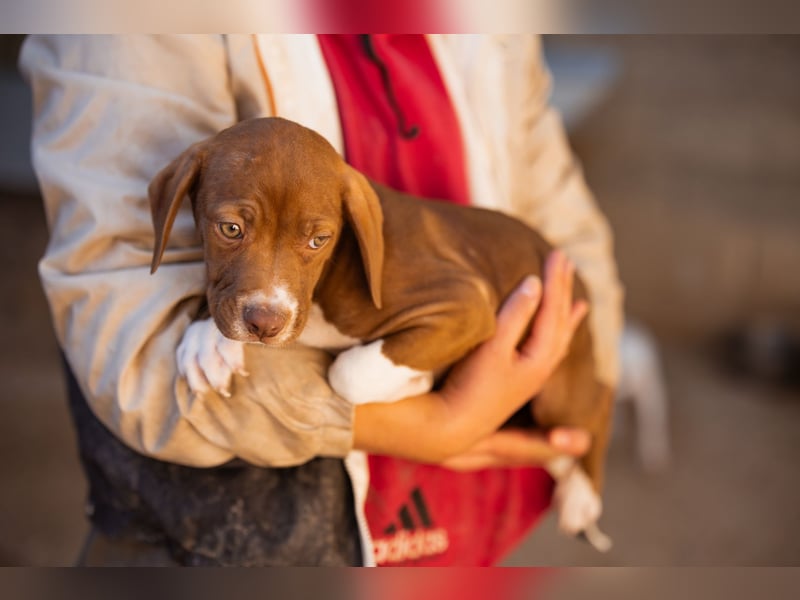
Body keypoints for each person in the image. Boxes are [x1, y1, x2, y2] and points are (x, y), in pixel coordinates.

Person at [20, 34, 623, 566]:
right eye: (231, 228)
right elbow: (124, 312)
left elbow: (570, 236)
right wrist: (427, 423)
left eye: (315, 240)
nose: (271, 299)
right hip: (241, 540)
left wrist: (574, 395)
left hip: (472, 519)